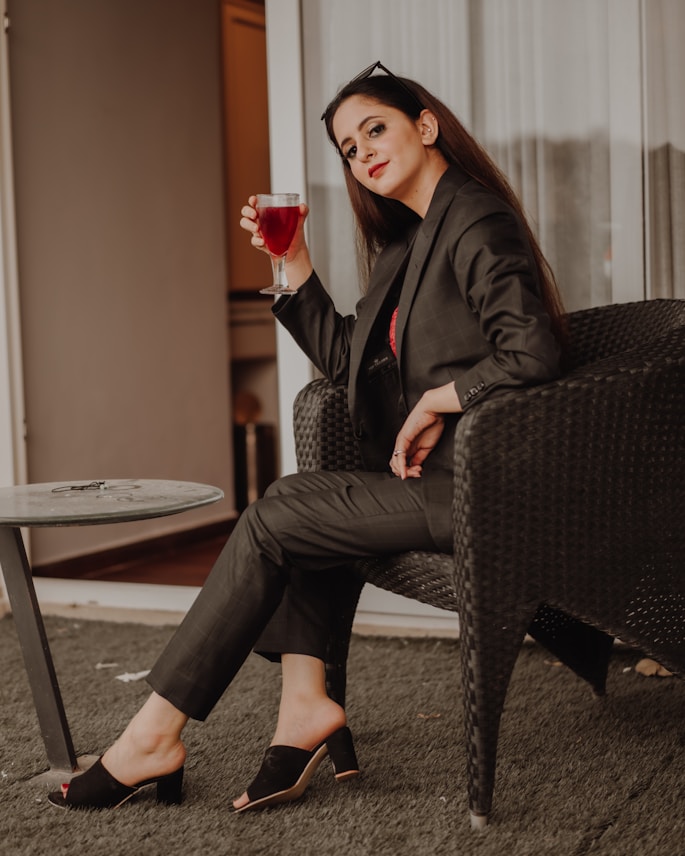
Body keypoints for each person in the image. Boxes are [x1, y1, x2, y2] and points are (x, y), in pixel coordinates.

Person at [48, 61, 565, 813]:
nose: (362, 154)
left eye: (374, 130)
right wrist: (290, 266)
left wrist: (440, 400)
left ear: (424, 124)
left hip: (481, 486)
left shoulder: (474, 217)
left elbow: (533, 349)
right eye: (349, 149)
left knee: (277, 516)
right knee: (297, 510)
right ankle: (303, 707)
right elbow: (347, 362)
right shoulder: (407, 243)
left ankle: (154, 738)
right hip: (429, 481)